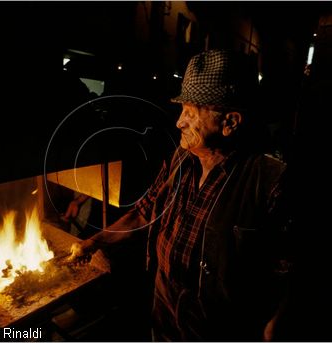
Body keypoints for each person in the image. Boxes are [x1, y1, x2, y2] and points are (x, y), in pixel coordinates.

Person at [70, 49, 292, 341]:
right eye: (182, 110)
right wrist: (94, 241)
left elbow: (290, 269)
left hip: (218, 329)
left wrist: (274, 326)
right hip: (164, 308)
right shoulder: (180, 160)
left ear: (230, 122)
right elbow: (144, 212)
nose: (179, 122)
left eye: (190, 112)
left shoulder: (271, 181)